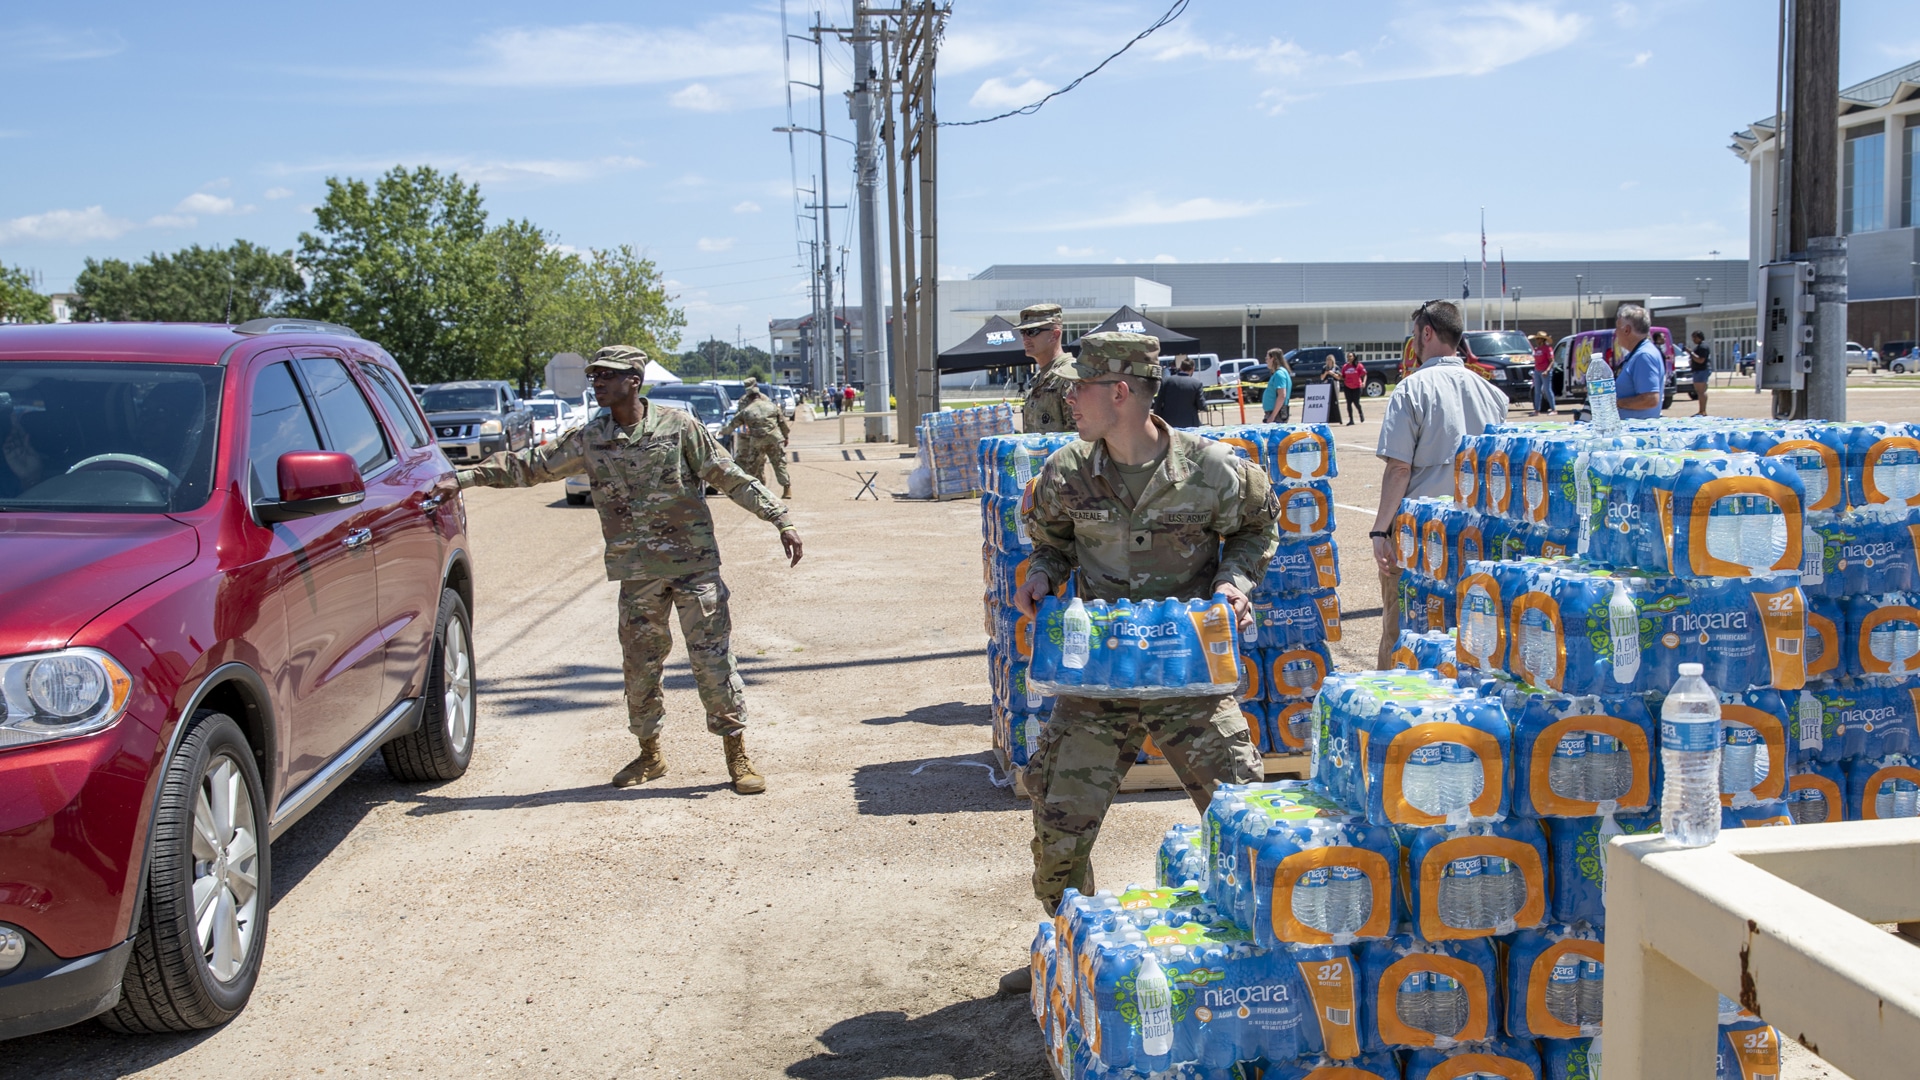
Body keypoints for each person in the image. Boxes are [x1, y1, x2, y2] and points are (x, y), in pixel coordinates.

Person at [1002, 331, 1278, 994]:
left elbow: (1256, 527)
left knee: (1246, 819)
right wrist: (1041, 575)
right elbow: (1051, 543)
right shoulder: (1068, 471)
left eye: (1081, 387)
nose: (1070, 399)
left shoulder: (1215, 470)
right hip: (1101, 680)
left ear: (1119, 392)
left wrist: (1234, 584)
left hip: (1188, 676)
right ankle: (1073, 942)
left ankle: (1263, 951)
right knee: (1057, 825)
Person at [456, 346, 804, 795]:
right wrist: (463, 477)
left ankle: (736, 754)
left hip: (693, 568)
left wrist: (780, 518)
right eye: (593, 376)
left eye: (606, 376)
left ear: (634, 380)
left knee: (712, 663)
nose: (596, 383)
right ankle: (650, 754)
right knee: (639, 667)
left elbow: (729, 475)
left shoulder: (679, 428)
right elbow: (532, 468)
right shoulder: (591, 437)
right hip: (637, 574)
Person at [1370, 301, 1509, 669]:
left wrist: (1380, 530)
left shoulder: (1411, 390)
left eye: (1415, 334)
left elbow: (1399, 469)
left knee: (1402, 633)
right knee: (1469, 633)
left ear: (1426, 333)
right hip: (1476, 533)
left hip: (1420, 536)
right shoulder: (1492, 393)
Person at [719, 376, 793, 498]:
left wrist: (723, 431)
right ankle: (787, 489)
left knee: (752, 465)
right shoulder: (771, 405)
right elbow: (782, 422)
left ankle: (751, 491)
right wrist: (785, 436)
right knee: (779, 463)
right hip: (774, 438)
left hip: (757, 440)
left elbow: (733, 424)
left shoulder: (747, 410)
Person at [1018, 303, 1076, 433]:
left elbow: (1079, 441)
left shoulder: (1069, 375)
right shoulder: (1040, 378)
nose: (1025, 338)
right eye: (1023, 332)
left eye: (1032, 332)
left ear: (1054, 335)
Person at [1612, 304, 1664, 420]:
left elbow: (1650, 399)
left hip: (1637, 432)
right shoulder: (1639, 354)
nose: (1615, 332)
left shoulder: (1644, 356)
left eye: (1617, 328)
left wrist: (1616, 403)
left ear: (1627, 330)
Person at [1152, 355, 1208, 428]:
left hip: (1168, 421)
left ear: (1180, 368)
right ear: (1192, 369)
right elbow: (1202, 406)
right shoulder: (1196, 384)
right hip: (1189, 423)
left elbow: (1158, 403)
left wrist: (1158, 419)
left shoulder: (1166, 381)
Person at [1261, 347, 1292, 423]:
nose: (1266, 361)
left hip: (1277, 414)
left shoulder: (1279, 374)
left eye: (1267, 358)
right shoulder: (1280, 373)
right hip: (1276, 413)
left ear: (1273, 359)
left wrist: (1272, 416)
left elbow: (1282, 396)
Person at [1529, 331, 1557, 416]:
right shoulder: (1537, 349)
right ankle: (1537, 410)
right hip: (1537, 371)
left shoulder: (1548, 349)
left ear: (1542, 339)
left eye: (1538, 338)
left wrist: (1547, 371)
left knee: (1547, 390)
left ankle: (1553, 409)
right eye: (1536, 338)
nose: (1537, 340)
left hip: (1545, 371)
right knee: (1537, 391)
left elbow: (1552, 361)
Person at [1689, 331, 1713, 416]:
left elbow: (1700, 360)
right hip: (1698, 371)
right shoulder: (1699, 346)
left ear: (1700, 337)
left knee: (1701, 391)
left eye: (1695, 337)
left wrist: (1691, 353)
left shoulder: (1703, 347)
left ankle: (1702, 411)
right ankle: (1701, 410)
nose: (1693, 339)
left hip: (1701, 370)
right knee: (1699, 392)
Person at [1340, 353, 1367, 425]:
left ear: (1354, 357)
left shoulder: (1359, 365)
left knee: (1356, 402)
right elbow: (1343, 377)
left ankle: (1360, 413)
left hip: (1357, 386)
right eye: (1348, 357)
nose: (1349, 358)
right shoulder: (1345, 366)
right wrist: (1337, 376)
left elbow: (1364, 374)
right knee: (1349, 403)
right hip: (1347, 386)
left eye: (1350, 356)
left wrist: (1364, 382)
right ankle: (1351, 420)